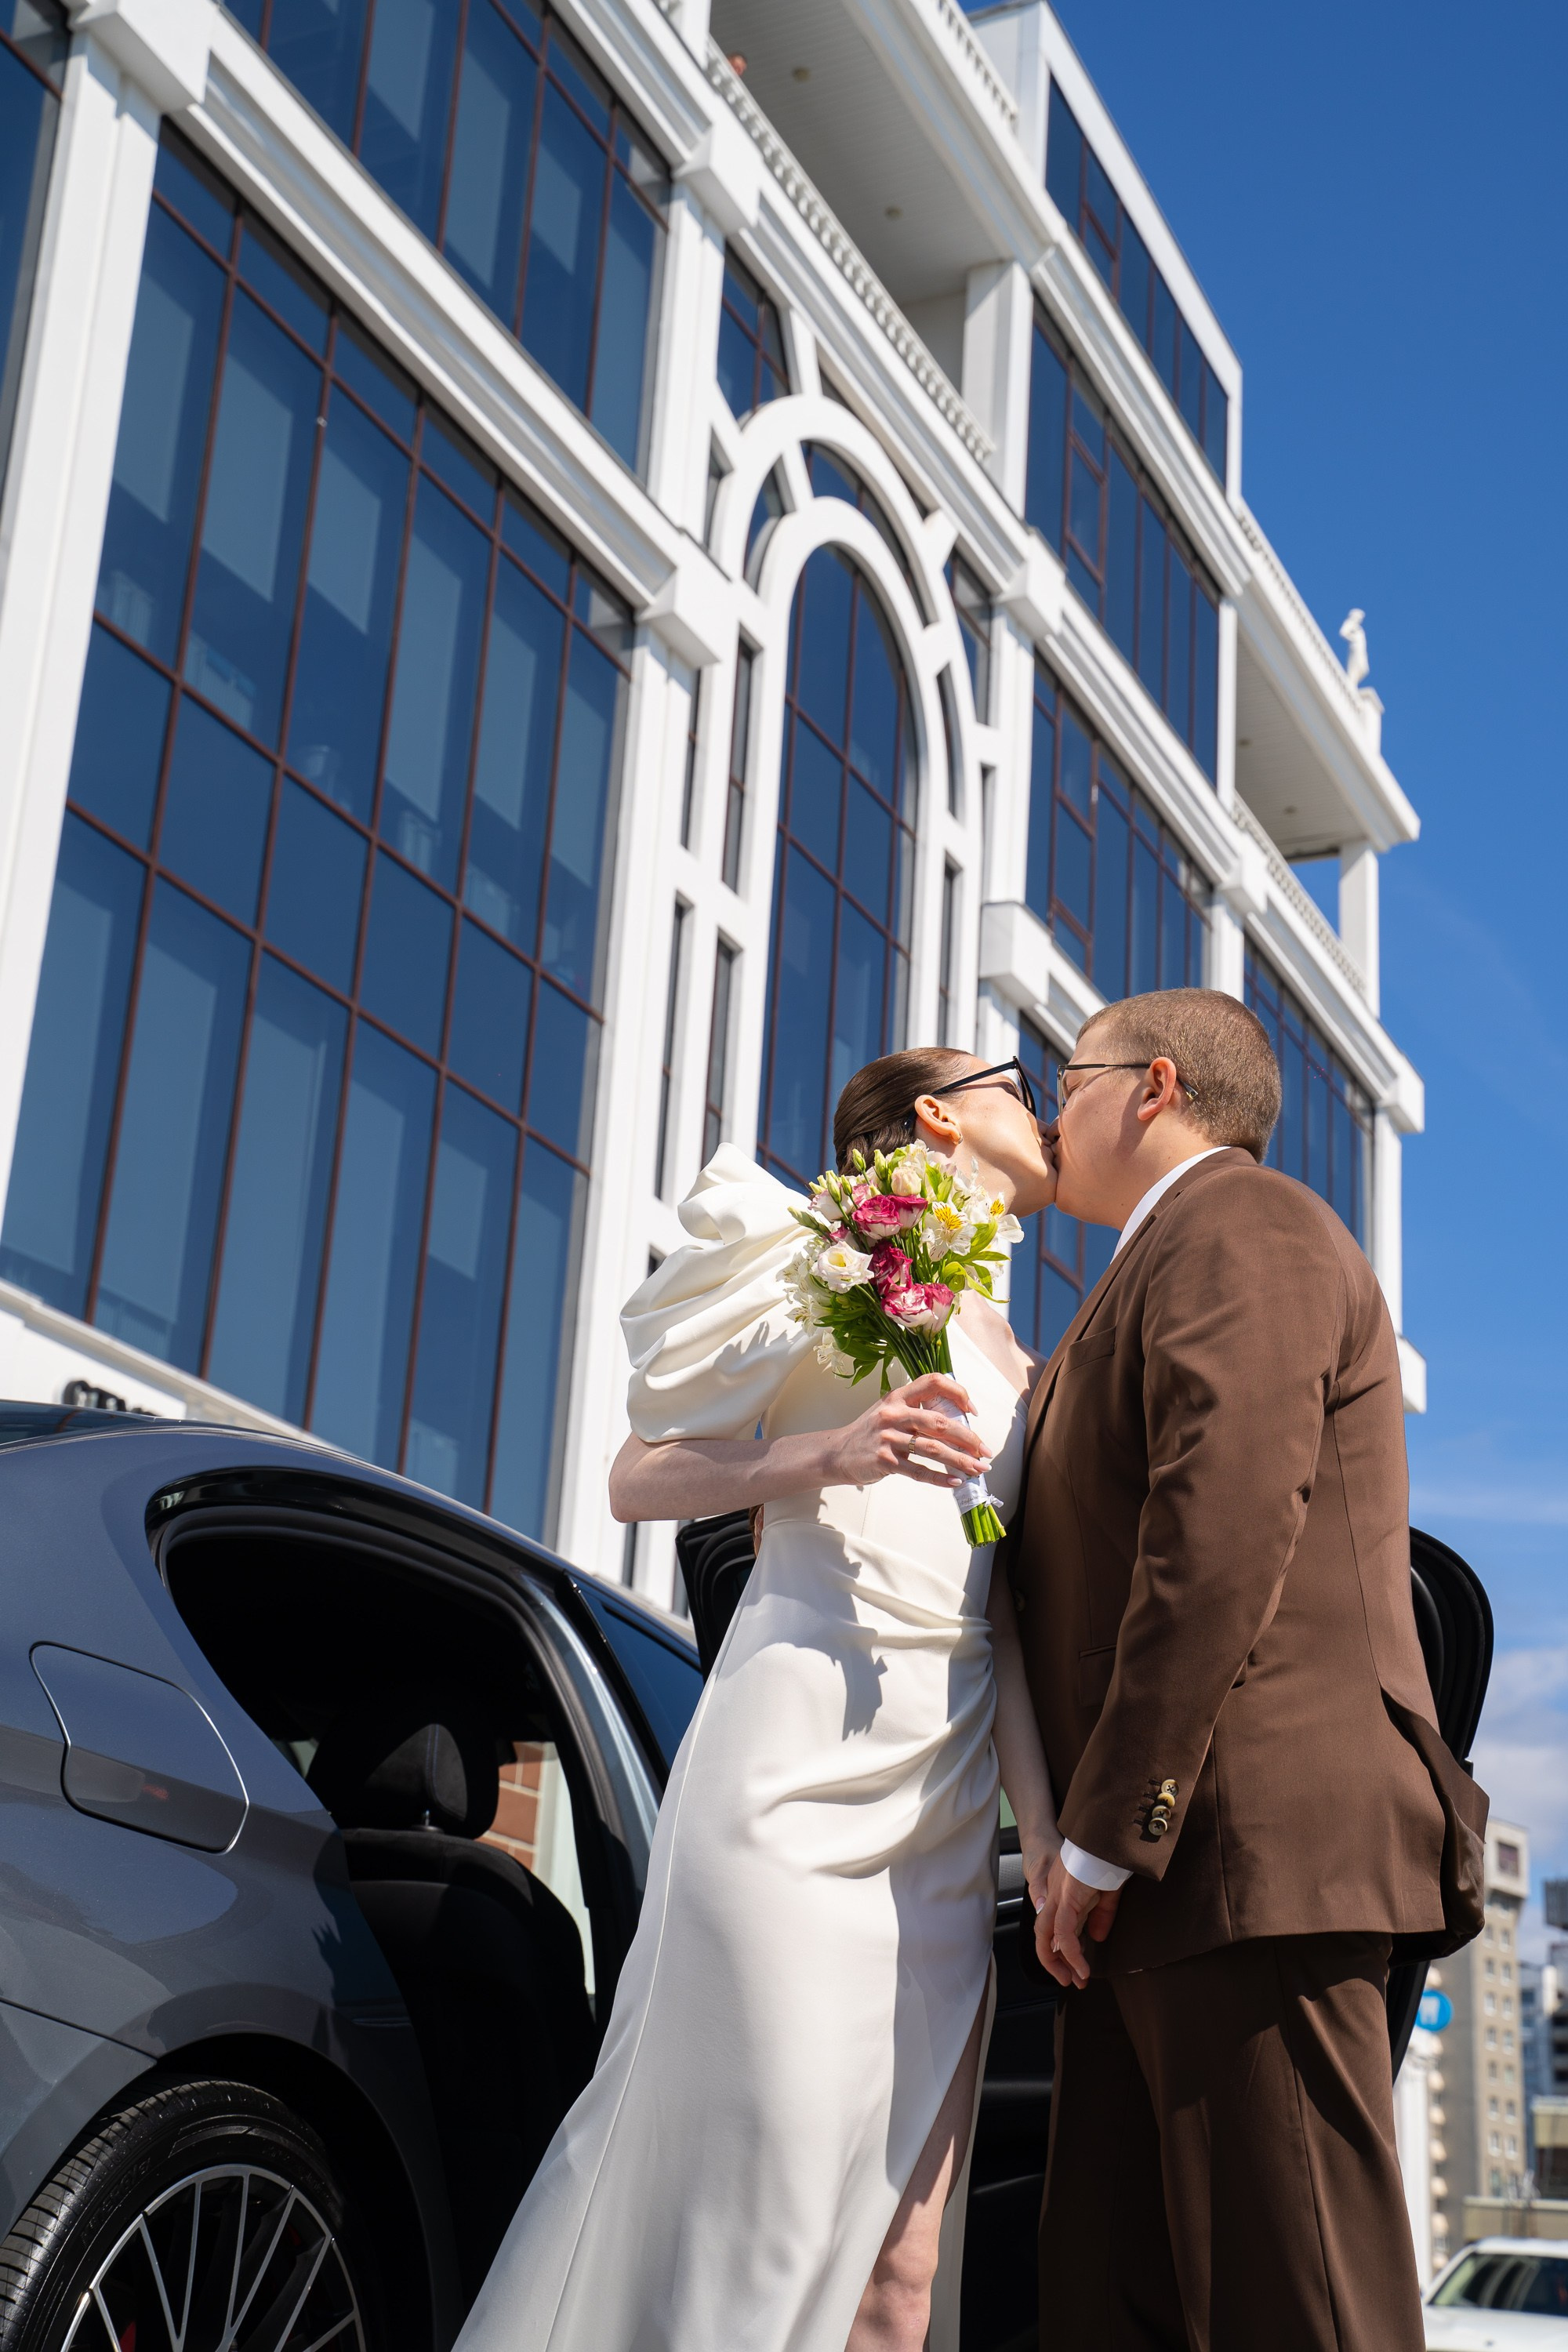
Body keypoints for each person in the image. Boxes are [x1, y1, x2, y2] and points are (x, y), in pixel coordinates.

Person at [456, 1047, 1059, 2352]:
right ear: (936, 1116)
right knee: (756, 2216)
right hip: (790, 1782)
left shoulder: (1026, 1360)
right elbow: (636, 1476)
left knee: (906, 2274)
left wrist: (1051, 1845)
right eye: (1020, 1081)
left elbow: (1005, 1619)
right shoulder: (826, 1253)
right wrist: (824, 1453)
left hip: (946, 1819)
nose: (1048, 1104)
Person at [1014, 986, 1486, 2352]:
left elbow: (1218, 1530)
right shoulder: (1129, 1280)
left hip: (1246, 1859)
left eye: (1067, 1081)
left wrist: (1104, 1834)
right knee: (1119, 2306)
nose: (1051, 1113)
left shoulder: (1247, 1224)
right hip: (1154, 1889)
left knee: (1301, 2313)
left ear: (1153, 1087)